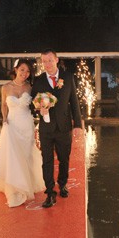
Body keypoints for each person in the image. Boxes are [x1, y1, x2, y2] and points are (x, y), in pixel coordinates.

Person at [31, 49, 83, 208]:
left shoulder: (68, 77)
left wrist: (78, 125)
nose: (47, 64)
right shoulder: (38, 80)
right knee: (46, 160)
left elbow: (74, 102)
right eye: (44, 61)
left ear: (56, 60)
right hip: (46, 128)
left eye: (50, 60)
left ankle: (63, 184)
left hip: (64, 126)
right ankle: (49, 192)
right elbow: (32, 103)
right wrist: (38, 109)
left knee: (64, 158)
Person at [0, 60, 45, 207]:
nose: (24, 73)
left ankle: (28, 183)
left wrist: (44, 105)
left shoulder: (30, 87)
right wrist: (4, 119)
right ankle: (15, 188)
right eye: (22, 70)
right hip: (12, 124)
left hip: (26, 124)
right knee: (13, 156)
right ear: (15, 69)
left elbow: (36, 103)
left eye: (27, 71)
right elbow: (3, 105)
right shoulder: (6, 87)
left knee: (26, 153)